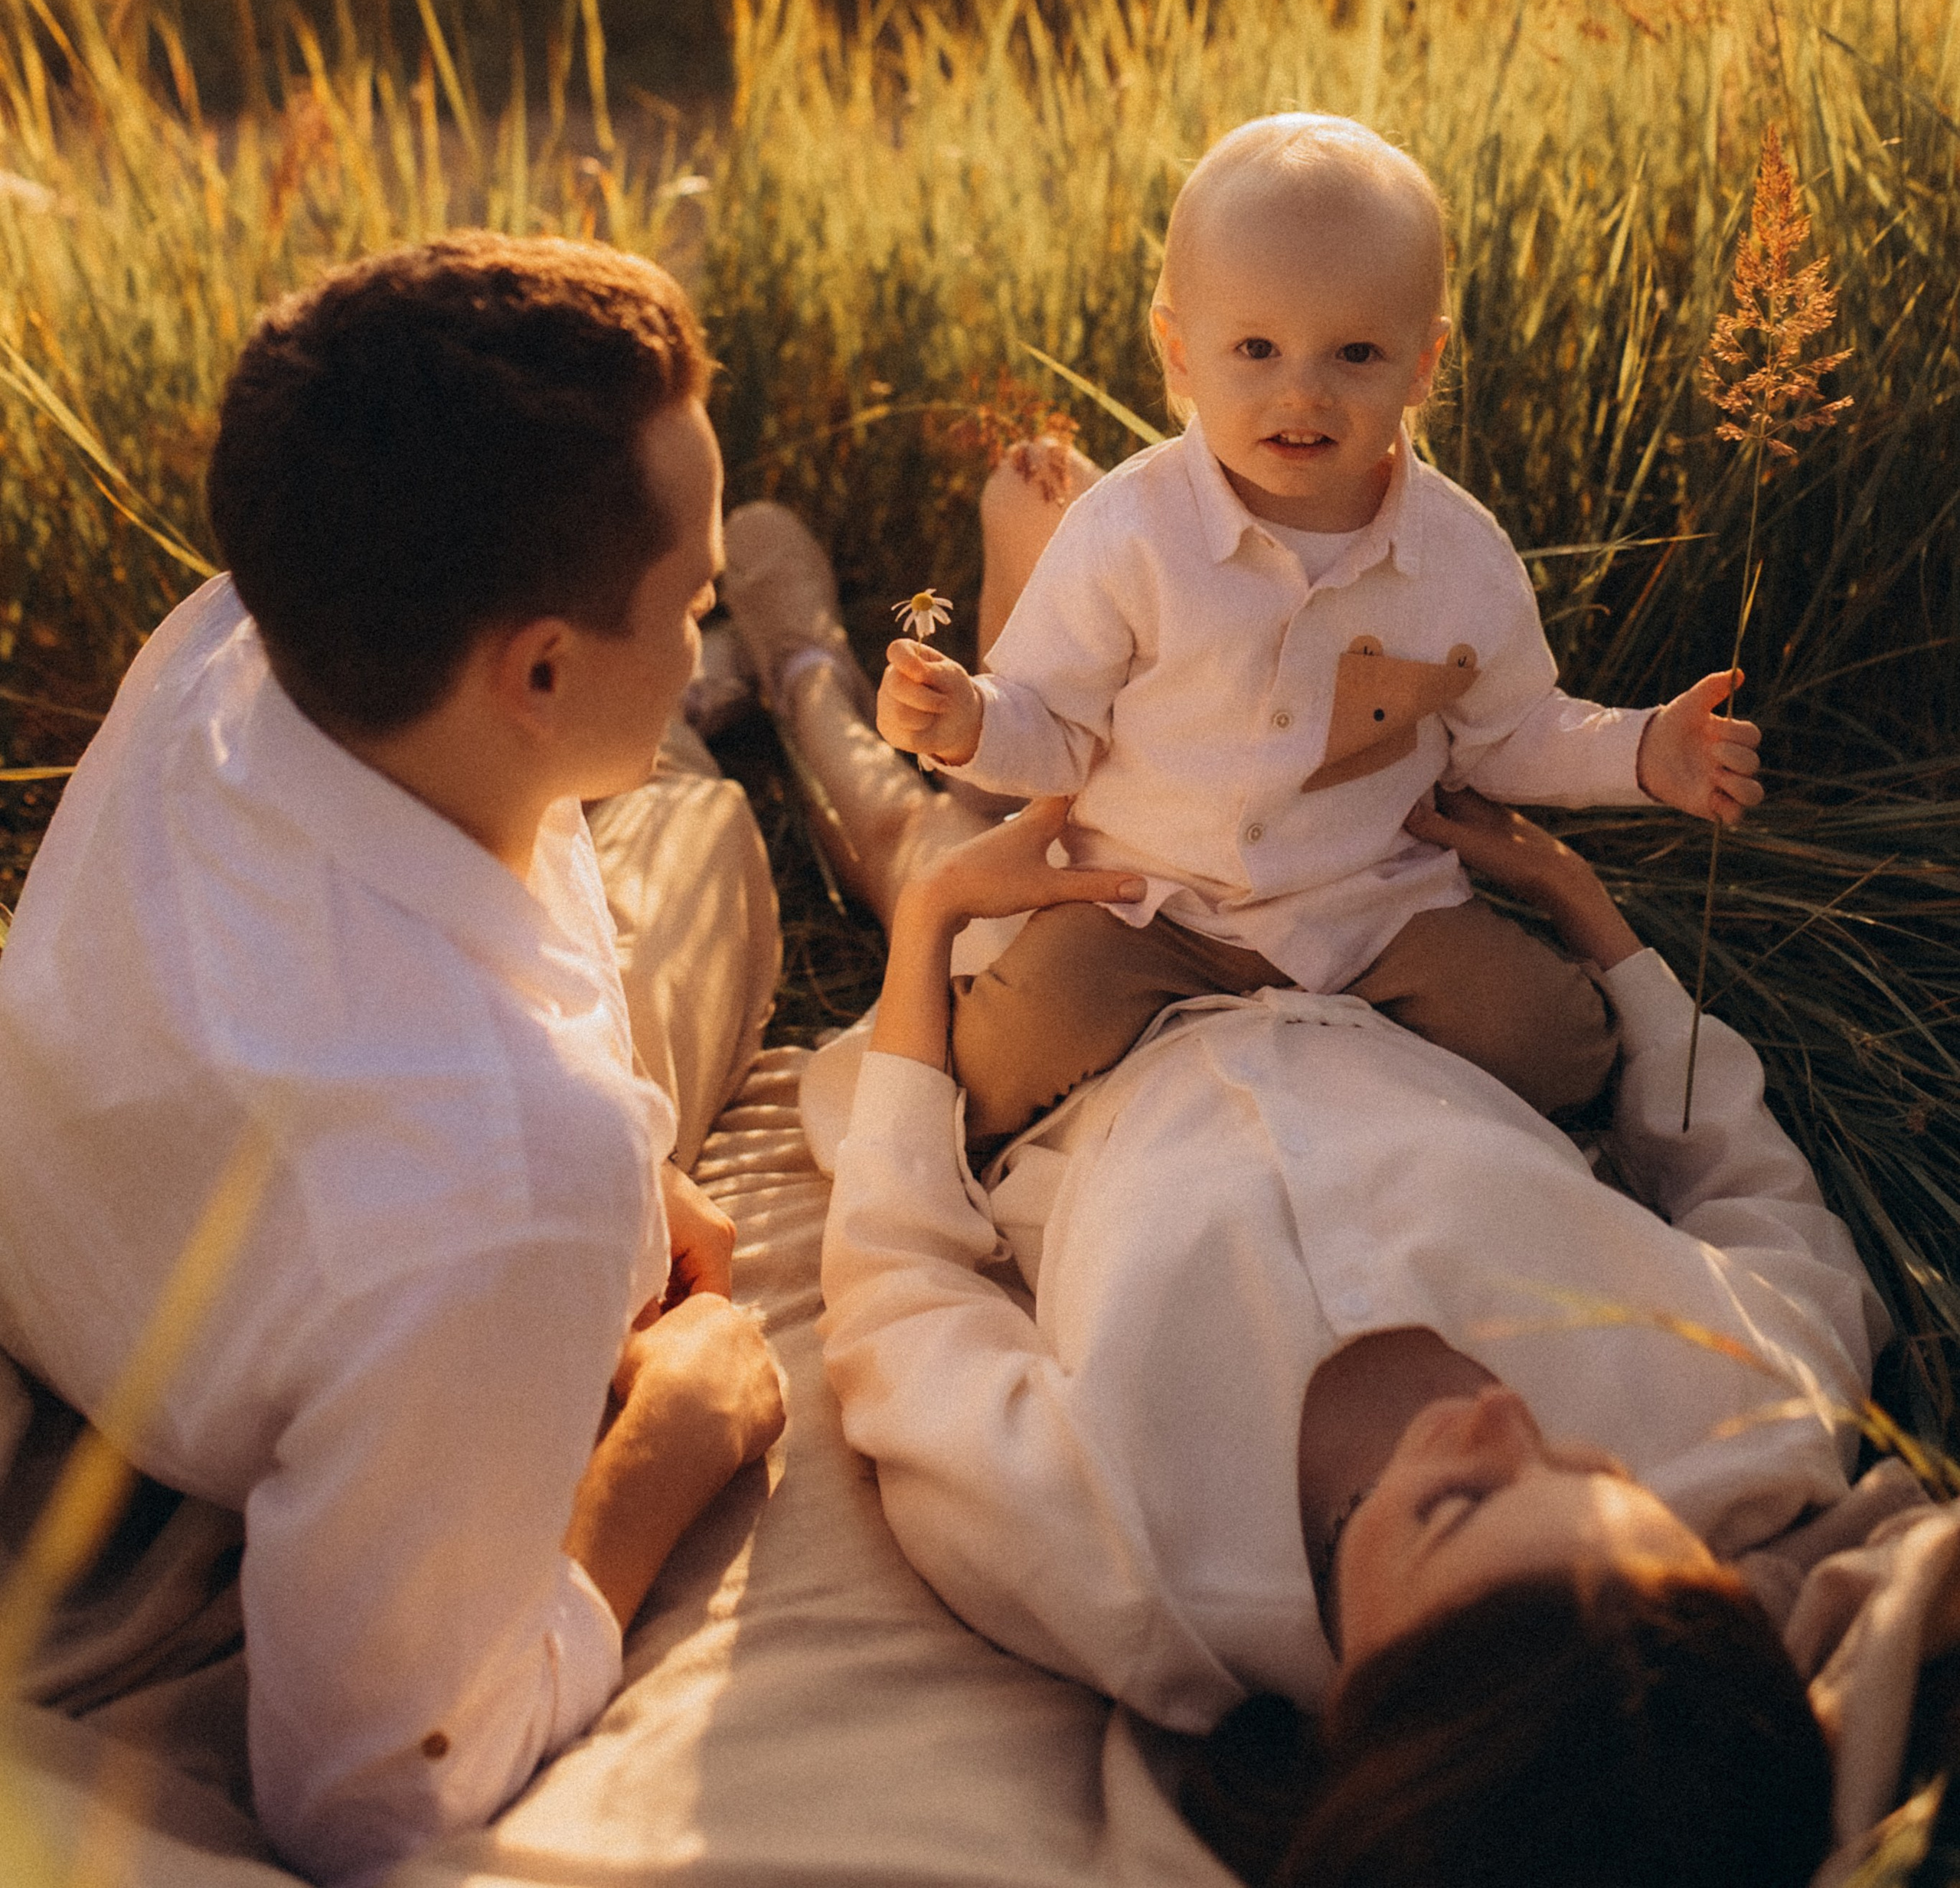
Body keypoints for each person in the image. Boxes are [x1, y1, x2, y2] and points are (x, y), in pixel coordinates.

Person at [714, 476, 1886, 1887]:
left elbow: (900, 1288)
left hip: (1088, 1046)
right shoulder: (1748, 1424)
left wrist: (931, 938)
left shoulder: (1115, 1569)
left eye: (1456, 1507)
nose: (1503, 1418)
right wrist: (1592, 920)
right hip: (1387, 967)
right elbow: (1753, 1194)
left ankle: (802, 671)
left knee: (909, 833)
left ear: (1358, 1720)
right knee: (1197, 740)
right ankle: (1074, 628)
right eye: (1586, 1463)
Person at [0, 236, 786, 1884]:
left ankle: (715, 731)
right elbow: (369, 1803)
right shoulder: (500, 1189)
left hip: (103, 1230)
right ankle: (776, 694)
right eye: (694, 598)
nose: (694, 594)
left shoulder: (236, 630)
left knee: (688, 832)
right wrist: (666, 1446)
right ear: (543, 669)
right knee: (705, 842)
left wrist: (620, 1165)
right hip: (183, 1444)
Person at [873, 113, 1764, 1151]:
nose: (1303, 390)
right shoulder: (1129, 533)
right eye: (1255, 349)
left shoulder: (1460, 556)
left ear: (1423, 364)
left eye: (1354, 353)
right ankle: (1017, 534)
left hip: (1372, 908)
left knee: (1557, 1045)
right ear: (1179, 352)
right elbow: (1056, 718)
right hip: (1150, 901)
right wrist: (971, 719)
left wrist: (1644, 751)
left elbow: (1508, 732)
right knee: (1007, 1057)